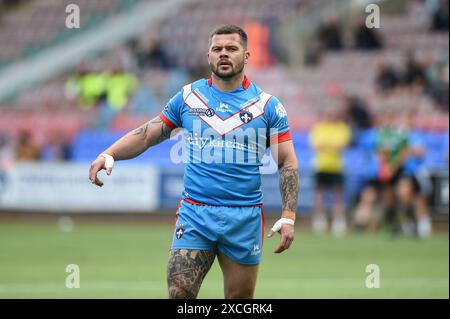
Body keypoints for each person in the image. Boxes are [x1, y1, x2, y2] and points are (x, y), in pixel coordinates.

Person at [88, 25, 299, 299]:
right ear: (208, 55)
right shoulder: (189, 97)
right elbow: (148, 134)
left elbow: (287, 162)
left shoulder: (267, 106)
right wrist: (109, 153)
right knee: (179, 295)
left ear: (246, 56)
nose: (224, 54)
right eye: (217, 49)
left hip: (244, 217)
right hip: (196, 213)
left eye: (232, 49)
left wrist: (288, 216)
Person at [309, 107, 351, 236]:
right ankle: (319, 220)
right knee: (319, 195)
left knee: (337, 195)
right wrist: (332, 145)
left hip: (336, 167)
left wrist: (326, 145)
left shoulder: (342, 128)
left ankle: (338, 221)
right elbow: (316, 145)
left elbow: (341, 145)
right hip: (321, 166)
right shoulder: (318, 128)